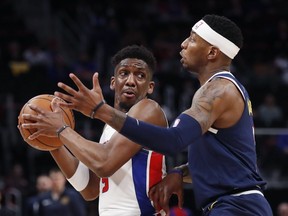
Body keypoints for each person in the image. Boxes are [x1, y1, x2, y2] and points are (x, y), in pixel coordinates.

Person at [46, 14, 273, 215]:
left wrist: (97, 112)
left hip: (237, 205)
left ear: (212, 52)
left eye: (193, 39)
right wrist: (179, 172)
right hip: (231, 204)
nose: (183, 44)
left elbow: (174, 140)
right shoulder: (215, 91)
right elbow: (226, 161)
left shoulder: (218, 90)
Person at [20, 45, 168, 215]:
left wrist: (61, 128)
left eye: (140, 76)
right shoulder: (109, 128)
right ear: (113, 82)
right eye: (124, 73)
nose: (130, 81)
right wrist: (53, 141)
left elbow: (104, 164)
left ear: (150, 87)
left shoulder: (149, 110)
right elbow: (89, 189)